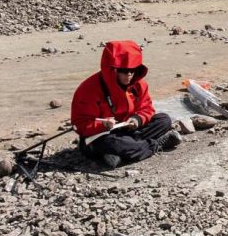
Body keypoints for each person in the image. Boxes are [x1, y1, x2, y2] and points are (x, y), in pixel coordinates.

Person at [71, 40, 181, 169]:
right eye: (124, 70)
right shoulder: (89, 89)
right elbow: (79, 124)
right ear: (113, 69)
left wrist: (137, 120)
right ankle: (156, 145)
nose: (129, 74)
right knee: (114, 143)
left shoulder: (139, 85)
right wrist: (103, 124)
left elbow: (147, 108)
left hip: (127, 129)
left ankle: (121, 152)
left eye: (133, 70)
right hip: (100, 136)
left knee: (163, 120)